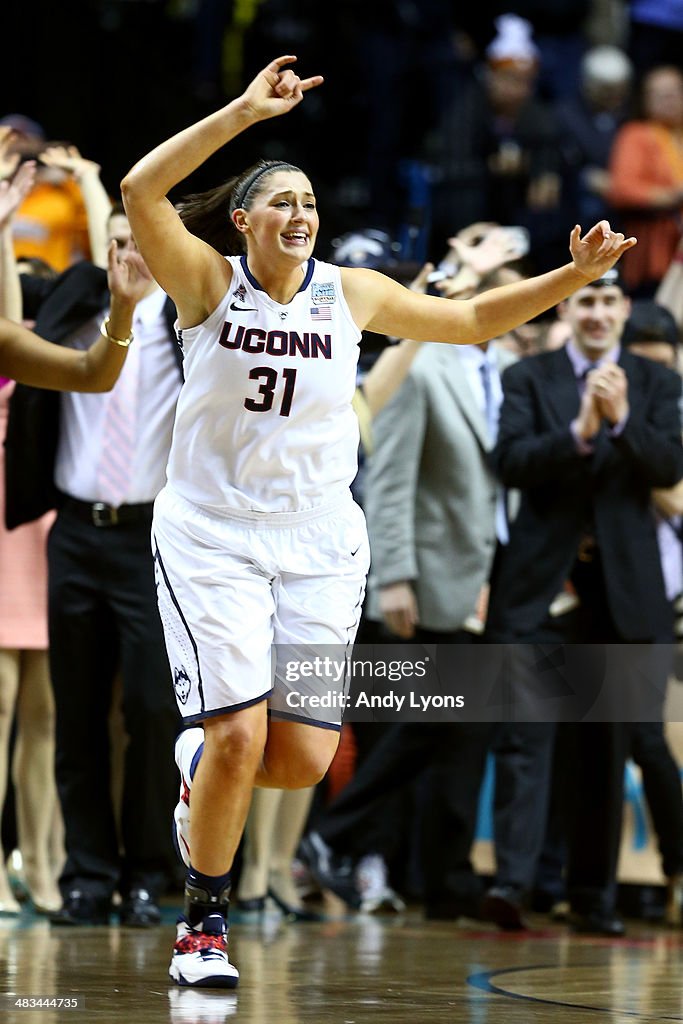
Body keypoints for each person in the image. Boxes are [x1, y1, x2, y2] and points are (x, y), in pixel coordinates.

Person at [120, 53, 635, 989]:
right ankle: (202, 925)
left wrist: (571, 274)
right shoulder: (205, 284)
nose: (301, 215)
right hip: (212, 533)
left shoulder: (348, 295)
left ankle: (202, 772)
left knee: (302, 762)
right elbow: (140, 187)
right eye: (282, 202)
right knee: (237, 737)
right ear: (243, 221)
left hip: (319, 538)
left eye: (311, 203)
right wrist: (242, 114)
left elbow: (474, 318)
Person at [482, 266, 683, 935]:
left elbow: (665, 466)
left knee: (606, 747)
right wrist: (578, 431)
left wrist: (620, 420)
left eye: (605, 300)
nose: (595, 313)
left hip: (620, 598)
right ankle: (511, 883)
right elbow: (509, 461)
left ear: (623, 308)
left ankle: (592, 896)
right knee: (524, 738)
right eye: (583, 301)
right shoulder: (526, 378)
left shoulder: (656, 382)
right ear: (566, 310)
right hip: (540, 588)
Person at [3, 204, 184, 929]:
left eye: (138, 241)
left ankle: (146, 873)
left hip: (152, 540)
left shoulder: (191, 323)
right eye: (114, 242)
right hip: (75, 533)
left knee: (148, 711)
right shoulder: (74, 304)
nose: (126, 255)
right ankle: (86, 875)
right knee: (74, 713)